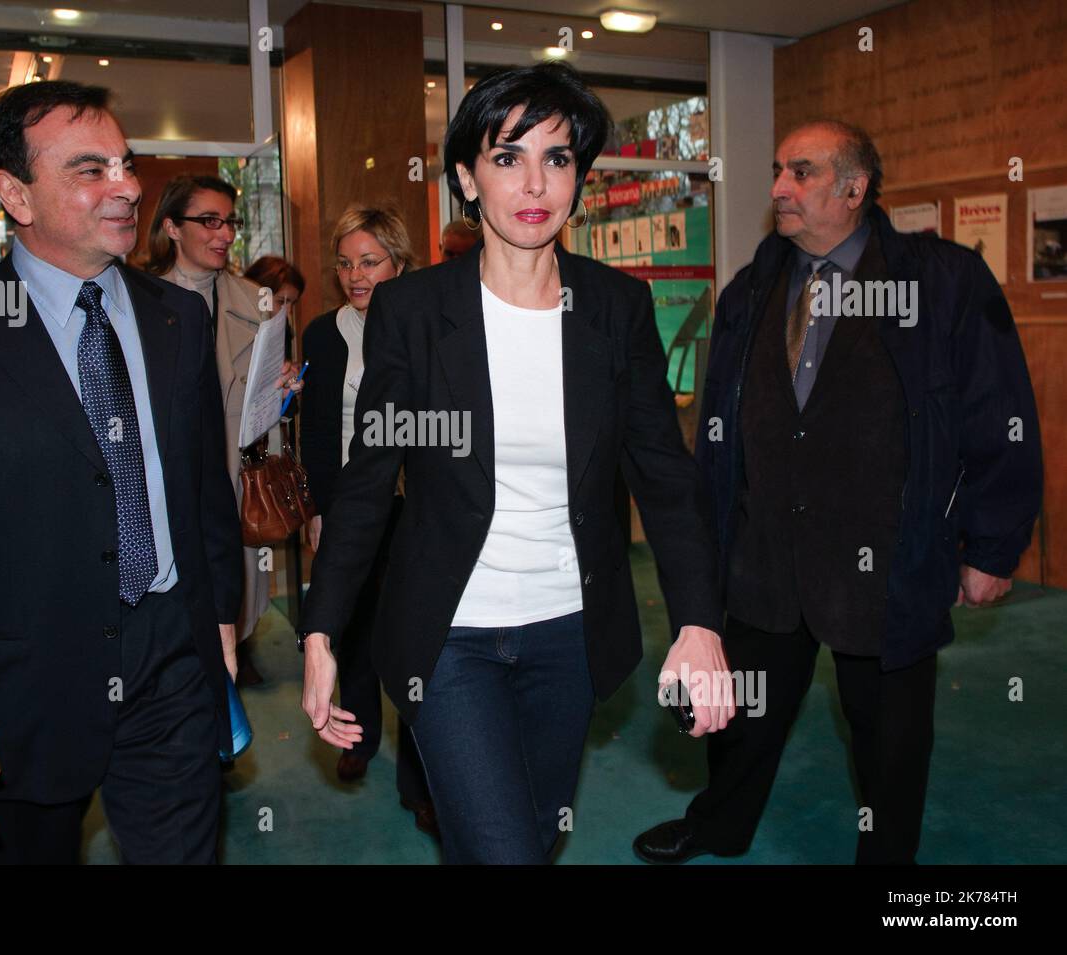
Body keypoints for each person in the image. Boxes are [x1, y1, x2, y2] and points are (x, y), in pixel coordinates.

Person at [297, 62, 732, 864]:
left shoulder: (614, 307)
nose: (535, 182)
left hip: (569, 631)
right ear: (467, 176)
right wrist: (321, 629)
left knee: (526, 834)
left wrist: (698, 621)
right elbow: (364, 483)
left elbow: (665, 480)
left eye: (557, 158)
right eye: (507, 157)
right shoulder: (412, 311)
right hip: (448, 637)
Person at [634, 120, 1043, 865]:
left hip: (887, 562)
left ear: (854, 190)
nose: (780, 188)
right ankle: (719, 823)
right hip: (765, 554)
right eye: (778, 171)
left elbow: (1000, 411)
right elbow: (721, 426)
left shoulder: (942, 282)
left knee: (889, 735)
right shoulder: (753, 289)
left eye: (803, 172)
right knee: (744, 714)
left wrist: (992, 543)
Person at [0, 80, 244, 864]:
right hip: (22, 682)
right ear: (15, 194)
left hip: (169, 656)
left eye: (127, 164)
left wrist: (221, 620)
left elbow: (203, 488)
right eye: (90, 169)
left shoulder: (179, 318)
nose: (128, 186)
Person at [298, 203, 437, 836]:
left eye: (370, 262)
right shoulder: (324, 334)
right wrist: (321, 510)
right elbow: (320, 432)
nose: (356, 276)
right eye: (346, 263)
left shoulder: (429, 323)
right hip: (354, 504)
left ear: (400, 263)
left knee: (414, 637)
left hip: (417, 502)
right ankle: (355, 732)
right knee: (348, 626)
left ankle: (423, 776)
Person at [143, 176, 301, 688]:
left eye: (229, 221)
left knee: (229, 599)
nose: (225, 233)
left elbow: (262, 402)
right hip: (160, 475)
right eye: (209, 221)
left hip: (233, 476)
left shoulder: (255, 299)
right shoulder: (137, 300)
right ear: (171, 227)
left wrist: (280, 393)